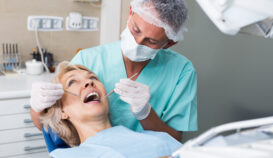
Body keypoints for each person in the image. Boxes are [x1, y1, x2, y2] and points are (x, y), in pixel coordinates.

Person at [39, 63, 227, 158]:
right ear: (62, 111)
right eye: (73, 82)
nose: (89, 82)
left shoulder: (157, 137)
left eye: (93, 78)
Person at [29, 0, 197, 141]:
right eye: (136, 30)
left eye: (151, 41)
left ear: (169, 44)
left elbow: (173, 140)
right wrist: (37, 107)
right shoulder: (88, 60)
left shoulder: (182, 71)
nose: (137, 42)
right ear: (130, 12)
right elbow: (49, 123)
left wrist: (145, 113)